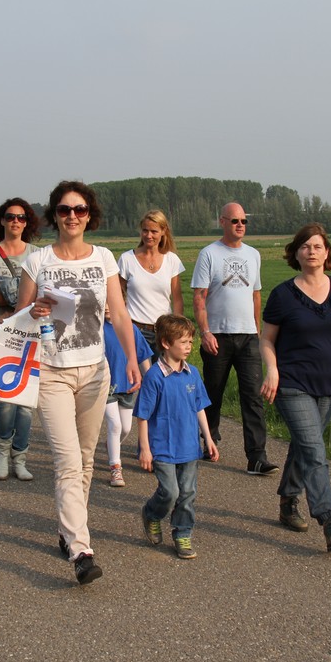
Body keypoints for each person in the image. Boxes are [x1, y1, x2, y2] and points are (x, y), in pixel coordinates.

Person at [16, 180, 140, 585]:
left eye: (80, 209)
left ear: (90, 215)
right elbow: (18, 319)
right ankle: (81, 549)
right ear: (54, 215)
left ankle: (68, 530)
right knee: (67, 461)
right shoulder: (38, 261)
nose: (72, 216)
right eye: (65, 209)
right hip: (52, 372)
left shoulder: (103, 258)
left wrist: (132, 359)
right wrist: (35, 311)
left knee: (86, 460)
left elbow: (119, 313)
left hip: (95, 372)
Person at [259, 223, 331, 552]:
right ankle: (330, 520)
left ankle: (288, 499)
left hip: (330, 384)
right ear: (295, 253)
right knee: (314, 449)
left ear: (327, 253)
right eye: (305, 246)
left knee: (306, 445)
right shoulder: (282, 294)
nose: (311, 251)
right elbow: (266, 339)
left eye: (317, 246)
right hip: (292, 383)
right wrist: (272, 370)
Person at [191, 202, 279, 476]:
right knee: (213, 393)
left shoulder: (253, 255)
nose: (240, 225)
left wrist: (258, 331)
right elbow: (199, 297)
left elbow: (255, 294)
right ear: (222, 222)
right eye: (234, 221)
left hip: (248, 337)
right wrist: (205, 332)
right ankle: (209, 439)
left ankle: (257, 457)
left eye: (243, 221)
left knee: (253, 397)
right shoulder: (209, 254)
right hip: (217, 335)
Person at [136, 314, 219, 559]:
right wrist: (145, 449)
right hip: (162, 448)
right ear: (165, 343)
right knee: (170, 492)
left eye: (190, 342)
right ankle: (152, 514)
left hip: (189, 446)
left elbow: (199, 407)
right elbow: (143, 415)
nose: (188, 347)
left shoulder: (192, 373)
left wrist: (208, 438)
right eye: (183, 342)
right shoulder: (154, 377)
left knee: (187, 493)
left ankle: (183, 533)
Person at [0, 198, 41, 481]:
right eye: (11, 216)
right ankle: (2, 451)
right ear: (2, 220)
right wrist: (21, 301)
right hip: (3, 330)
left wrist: (20, 303)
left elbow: (45, 290)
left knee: (26, 400)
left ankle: (20, 455)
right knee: (5, 395)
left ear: (27, 223)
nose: (16, 221)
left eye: (21, 217)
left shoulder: (37, 253)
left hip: (32, 330)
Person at [117, 209, 185, 358]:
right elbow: (118, 297)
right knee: (136, 372)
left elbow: (177, 300)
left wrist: (177, 330)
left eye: (154, 231)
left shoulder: (172, 260)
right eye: (145, 230)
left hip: (164, 332)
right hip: (135, 332)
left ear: (163, 231)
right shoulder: (127, 259)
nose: (149, 235)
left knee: (163, 372)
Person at [102, 311, 154, 487]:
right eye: (105, 302)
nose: (107, 307)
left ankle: (112, 446)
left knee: (125, 428)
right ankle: (115, 468)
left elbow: (142, 354)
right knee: (115, 425)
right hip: (106, 385)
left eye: (111, 302)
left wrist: (150, 380)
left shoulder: (130, 328)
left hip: (127, 385)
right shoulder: (97, 327)